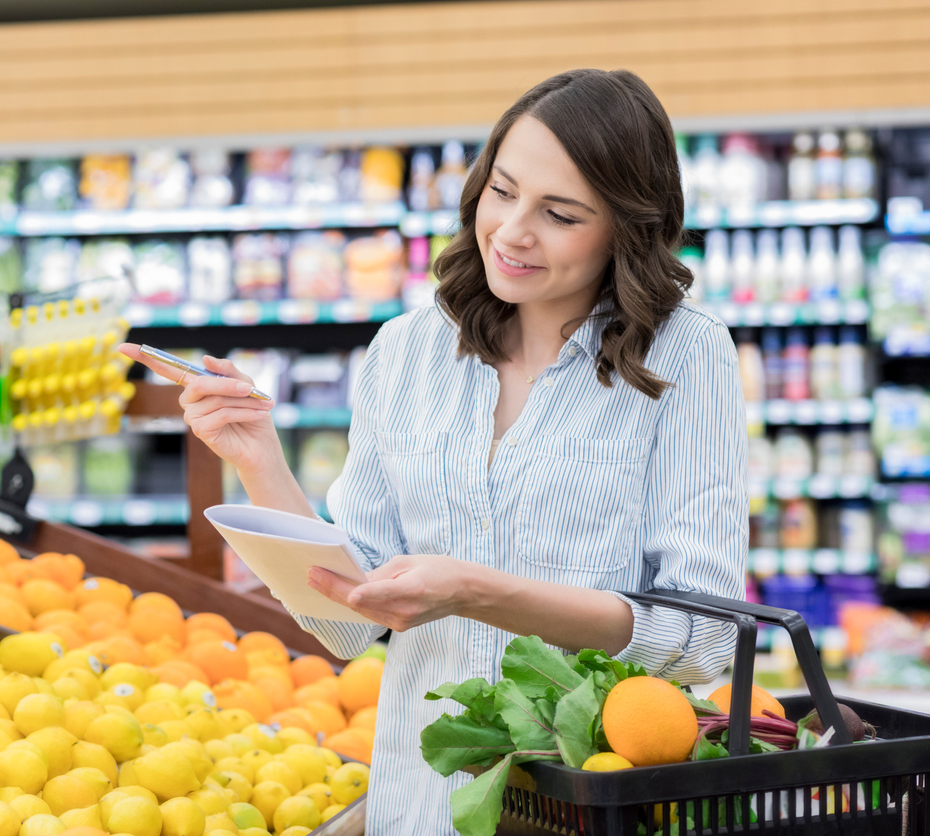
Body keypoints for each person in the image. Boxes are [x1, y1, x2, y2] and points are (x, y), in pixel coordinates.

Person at [120, 68, 746, 835]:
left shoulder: (688, 353)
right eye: (502, 191)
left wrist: (483, 593)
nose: (513, 231)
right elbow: (351, 622)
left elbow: (706, 639)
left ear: (626, 226)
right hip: (421, 806)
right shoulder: (409, 350)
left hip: (590, 802)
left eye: (560, 214)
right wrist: (257, 459)